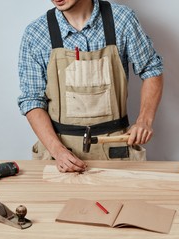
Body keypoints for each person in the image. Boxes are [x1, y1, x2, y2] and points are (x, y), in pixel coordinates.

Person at [18, 0, 163, 173]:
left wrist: (144, 121)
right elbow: (32, 100)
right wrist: (57, 151)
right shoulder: (36, 33)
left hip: (115, 150)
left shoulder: (122, 20)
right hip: (60, 154)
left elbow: (151, 70)